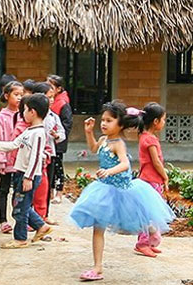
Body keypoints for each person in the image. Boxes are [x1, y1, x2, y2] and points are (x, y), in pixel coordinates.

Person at [69, 101, 174, 281]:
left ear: (120, 124)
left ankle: (151, 228)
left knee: (134, 219)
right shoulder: (103, 140)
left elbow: (125, 163)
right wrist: (88, 132)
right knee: (98, 227)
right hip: (104, 189)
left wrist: (109, 170)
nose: (103, 123)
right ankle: (97, 267)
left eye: (109, 120)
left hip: (123, 189)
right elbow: (94, 149)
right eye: (103, 120)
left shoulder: (118, 143)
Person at [0, 93, 54, 249]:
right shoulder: (29, 131)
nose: (23, 114)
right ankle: (41, 226)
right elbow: (13, 144)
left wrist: (29, 177)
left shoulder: (39, 134)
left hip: (28, 176)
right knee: (20, 205)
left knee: (20, 208)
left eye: (25, 110)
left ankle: (20, 239)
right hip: (21, 174)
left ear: (32, 112)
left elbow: (36, 158)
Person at [136, 103, 169, 258]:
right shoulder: (150, 140)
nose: (164, 123)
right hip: (151, 180)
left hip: (147, 179)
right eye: (163, 120)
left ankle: (147, 242)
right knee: (148, 214)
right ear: (155, 121)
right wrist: (165, 176)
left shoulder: (144, 136)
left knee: (149, 213)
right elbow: (156, 162)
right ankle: (142, 243)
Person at [0, 80, 24, 233]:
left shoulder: (25, 116)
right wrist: (1, 160)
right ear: (6, 95)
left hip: (21, 160)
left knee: (19, 191)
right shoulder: (1, 117)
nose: (19, 98)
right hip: (7, 158)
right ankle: (3, 220)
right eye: (16, 94)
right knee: (4, 189)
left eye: (21, 95)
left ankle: (19, 218)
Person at [32, 82, 65, 220]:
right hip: (35, 155)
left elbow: (62, 133)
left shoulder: (53, 116)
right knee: (35, 187)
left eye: (52, 97)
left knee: (47, 186)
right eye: (48, 97)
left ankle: (44, 215)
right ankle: (33, 216)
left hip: (49, 154)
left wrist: (57, 136)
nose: (51, 100)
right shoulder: (32, 115)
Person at [47, 75, 74, 205]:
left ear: (58, 89)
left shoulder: (63, 104)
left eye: (51, 86)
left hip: (58, 142)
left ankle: (59, 192)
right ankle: (50, 191)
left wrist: (58, 136)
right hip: (49, 141)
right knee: (51, 167)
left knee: (58, 167)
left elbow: (67, 124)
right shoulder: (49, 101)